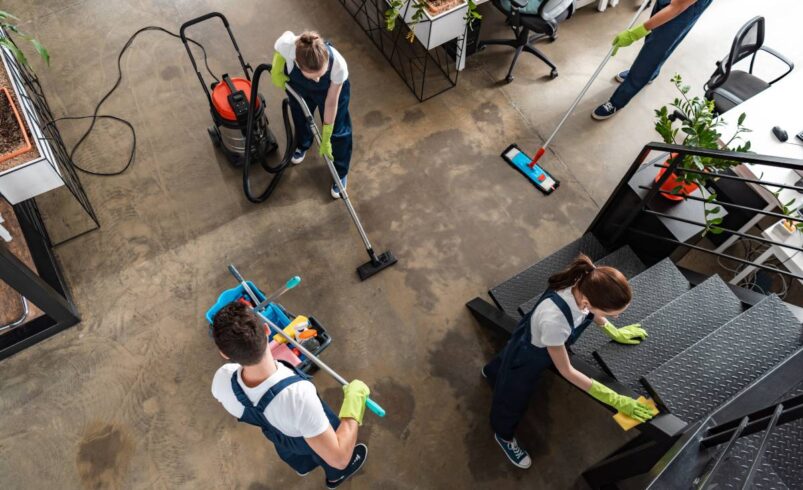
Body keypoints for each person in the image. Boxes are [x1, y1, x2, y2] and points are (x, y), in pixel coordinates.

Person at [483, 255, 655, 468]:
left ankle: (492, 372)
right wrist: (615, 400)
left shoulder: (585, 282)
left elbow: (592, 313)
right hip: (531, 354)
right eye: (613, 315)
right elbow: (567, 371)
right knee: (513, 396)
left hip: (536, 333)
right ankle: (503, 434)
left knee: (507, 358)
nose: (616, 318)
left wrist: (614, 331)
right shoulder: (556, 322)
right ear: (587, 302)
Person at [210, 302, 369, 488]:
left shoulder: (222, 379)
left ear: (224, 354)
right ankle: (335, 477)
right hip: (301, 430)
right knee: (324, 448)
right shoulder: (299, 396)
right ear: (267, 329)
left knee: (288, 444)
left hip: (277, 433)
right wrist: (354, 403)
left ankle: (303, 465)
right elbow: (339, 457)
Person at [592, 0, 714, 120]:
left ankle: (617, 101)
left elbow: (677, 6)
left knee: (652, 53)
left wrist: (635, 33)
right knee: (655, 36)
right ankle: (651, 74)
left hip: (684, 7)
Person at [270, 31, 352, 199]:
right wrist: (277, 68)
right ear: (297, 64)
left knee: (337, 129)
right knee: (299, 114)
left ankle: (340, 172)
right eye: (313, 76)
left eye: (320, 75)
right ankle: (303, 143)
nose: (317, 80)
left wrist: (327, 135)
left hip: (330, 92)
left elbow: (331, 102)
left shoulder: (338, 66)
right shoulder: (288, 46)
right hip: (299, 86)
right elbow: (278, 48)